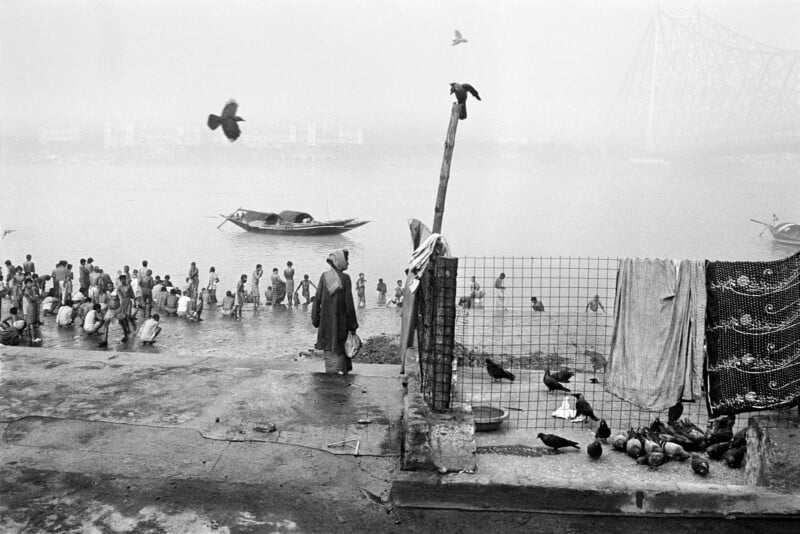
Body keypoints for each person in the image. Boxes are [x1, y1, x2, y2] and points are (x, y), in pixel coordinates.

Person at [311, 249, 359, 375]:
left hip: (326, 325)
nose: (348, 264)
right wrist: (353, 326)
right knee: (341, 355)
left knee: (330, 358)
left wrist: (316, 320)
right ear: (341, 262)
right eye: (347, 261)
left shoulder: (324, 276)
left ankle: (331, 382)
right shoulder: (345, 278)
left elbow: (317, 299)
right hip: (341, 325)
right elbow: (349, 304)